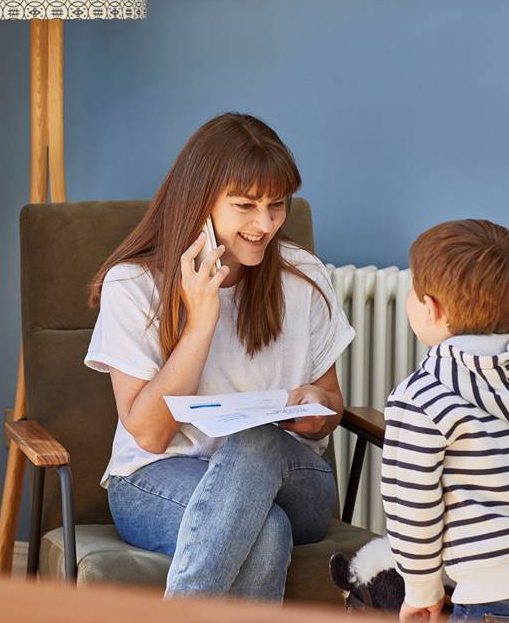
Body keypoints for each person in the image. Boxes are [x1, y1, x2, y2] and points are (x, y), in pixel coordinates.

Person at [83, 113, 355, 600]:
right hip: (157, 479)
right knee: (265, 531)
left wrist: (317, 408)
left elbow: (333, 404)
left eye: (276, 205)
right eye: (245, 206)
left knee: (255, 441)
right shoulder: (133, 284)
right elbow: (148, 434)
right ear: (200, 202)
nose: (264, 224)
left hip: (294, 482)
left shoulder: (302, 276)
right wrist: (201, 321)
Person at [381, 220, 509, 622]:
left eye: (413, 287)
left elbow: (412, 507)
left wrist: (421, 590)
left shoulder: (420, 396)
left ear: (432, 309)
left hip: (498, 596)